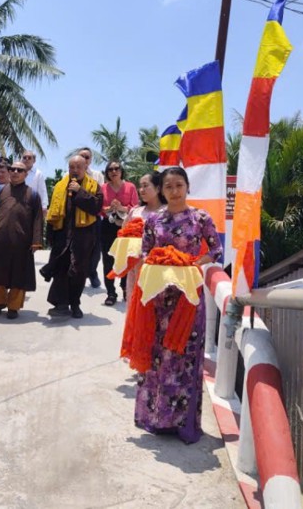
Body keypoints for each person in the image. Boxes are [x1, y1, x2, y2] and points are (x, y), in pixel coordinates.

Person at [135, 166, 223, 442]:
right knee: (158, 356)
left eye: (179, 185)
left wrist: (194, 263)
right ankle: (156, 418)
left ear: (187, 187)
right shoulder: (154, 220)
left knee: (185, 357)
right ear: (162, 191)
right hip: (159, 299)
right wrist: (159, 263)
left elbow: (216, 250)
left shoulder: (200, 218)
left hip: (188, 300)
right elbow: (146, 251)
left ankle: (183, 423)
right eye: (168, 186)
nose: (174, 191)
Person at [0, 161, 44, 319]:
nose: (15, 172)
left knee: (18, 274)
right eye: (12, 169)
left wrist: (36, 241)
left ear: (25, 174)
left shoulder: (33, 194)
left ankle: (14, 307)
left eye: (19, 170)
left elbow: (38, 219)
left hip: (21, 241)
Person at [40, 155, 103, 319]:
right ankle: (61, 304)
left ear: (85, 168)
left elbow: (96, 207)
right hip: (62, 234)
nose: (74, 171)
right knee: (61, 269)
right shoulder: (60, 186)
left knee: (78, 271)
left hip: (83, 236)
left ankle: (75, 304)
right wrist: (50, 236)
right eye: (71, 167)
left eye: (78, 167)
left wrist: (79, 192)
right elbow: (53, 212)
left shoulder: (93, 185)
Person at [99, 161, 139, 306]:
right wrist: (109, 208)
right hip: (107, 226)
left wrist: (121, 208)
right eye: (110, 169)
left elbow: (135, 207)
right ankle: (110, 292)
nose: (114, 171)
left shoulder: (130, 187)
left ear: (121, 171)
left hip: (125, 227)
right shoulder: (103, 188)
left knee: (125, 258)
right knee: (108, 260)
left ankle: (125, 287)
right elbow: (99, 208)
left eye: (117, 168)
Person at [123, 171, 166, 301]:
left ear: (158, 188)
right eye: (140, 186)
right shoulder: (135, 212)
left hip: (158, 267)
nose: (141, 190)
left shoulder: (167, 212)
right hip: (135, 267)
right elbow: (123, 233)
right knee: (135, 302)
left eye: (145, 186)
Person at [77, 147, 104, 289]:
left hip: (94, 216)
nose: (84, 159)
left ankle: (92, 272)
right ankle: (78, 275)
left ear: (91, 159)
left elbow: (99, 197)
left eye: (87, 157)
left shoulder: (97, 175)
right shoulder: (69, 174)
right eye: (81, 156)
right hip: (75, 217)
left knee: (96, 249)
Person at [21, 150, 49, 217]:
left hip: (33, 206)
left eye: (29, 158)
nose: (26, 159)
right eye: (24, 157)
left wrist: (44, 207)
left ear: (34, 160)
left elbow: (42, 191)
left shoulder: (38, 174)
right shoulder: (17, 172)